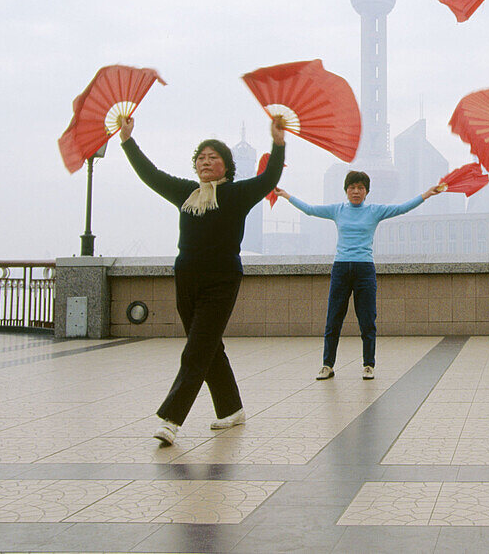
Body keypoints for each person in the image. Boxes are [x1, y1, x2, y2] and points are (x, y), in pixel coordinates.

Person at [119, 115, 285, 445]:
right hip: (186, 277)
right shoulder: (186, 193)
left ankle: (171, 419)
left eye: (213, 158)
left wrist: (278, 143)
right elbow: (150, 175)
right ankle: (231, 409)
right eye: (201, 158)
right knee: (208, 346)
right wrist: (127, 140)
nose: (205, 162)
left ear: (226, 166)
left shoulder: (238, 194)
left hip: (222, 280)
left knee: (195, 350)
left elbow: (269, 178)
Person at [274, 173, 443, 381]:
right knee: (333, 319)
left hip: (364, 269)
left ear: (367, 191)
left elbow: (402, 208)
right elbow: (310, 210)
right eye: (352, 187)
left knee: (367, 319)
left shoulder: (374, 211)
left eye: (361, 187)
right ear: (346, 190)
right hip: (341, 269)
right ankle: (327, 365)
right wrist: (285, 195)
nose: (356, 191)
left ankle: (368, 365)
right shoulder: (338, 210)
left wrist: (427, 194)